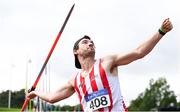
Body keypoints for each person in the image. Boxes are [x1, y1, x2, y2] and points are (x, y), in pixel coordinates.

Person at [27, 18, 173, 111]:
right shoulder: (75, 80)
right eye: (85, 42)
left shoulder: (107, 62)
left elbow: (139, 52)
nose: (90, 43)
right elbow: (52, 97)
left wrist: (161, 32)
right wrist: (35, 93)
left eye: (92, 42)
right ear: (75, 51)